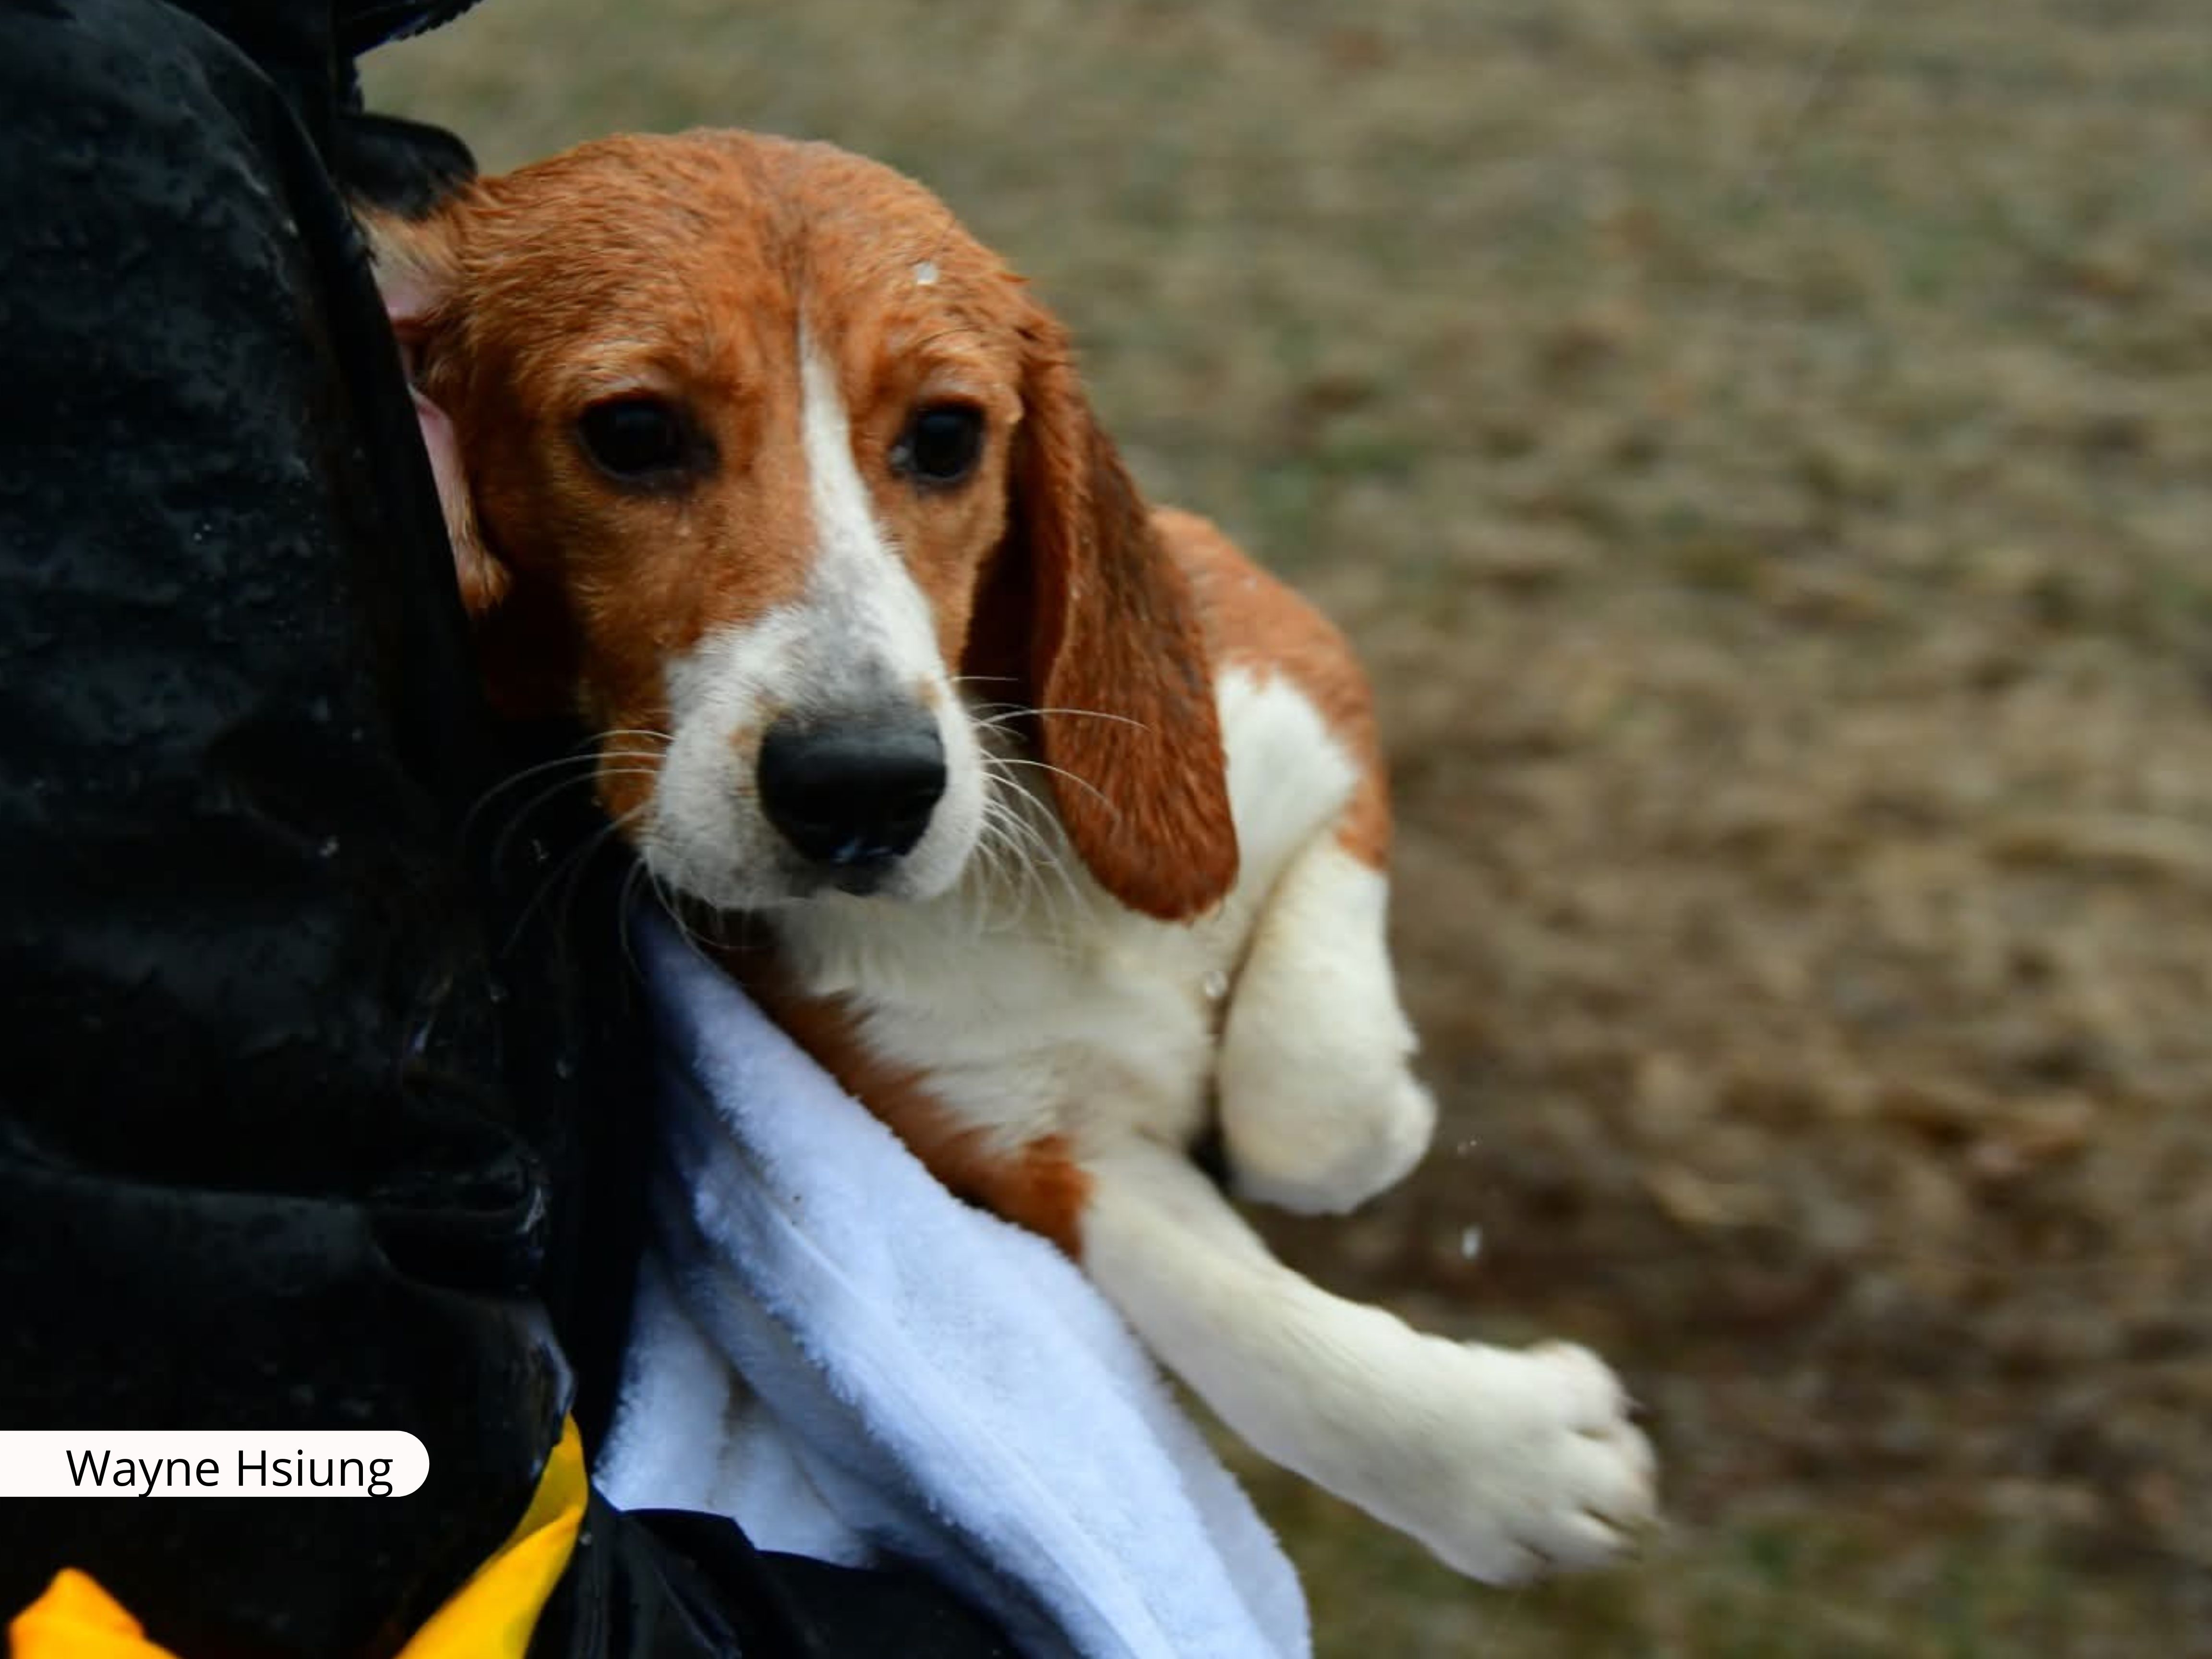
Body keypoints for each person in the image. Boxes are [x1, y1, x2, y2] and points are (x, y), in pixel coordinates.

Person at [0, 1, 1018, 1651]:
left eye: (944, 442)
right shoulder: (83, 136)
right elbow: (224, 1485)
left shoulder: (281, 131)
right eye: (635, 440)